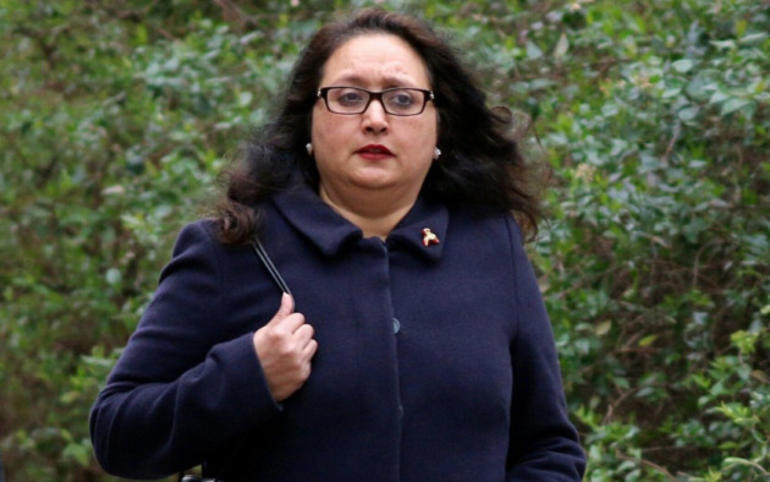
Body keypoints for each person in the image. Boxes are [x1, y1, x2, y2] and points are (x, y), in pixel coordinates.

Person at [90, 8, 586, 481]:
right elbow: (117, 432)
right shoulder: (232, 248)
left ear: (440, 126)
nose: (375, 119)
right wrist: (245, 376)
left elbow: (548, 445)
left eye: (402, 99)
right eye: (348, 97)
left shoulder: (491, 244)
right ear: (309, 120)